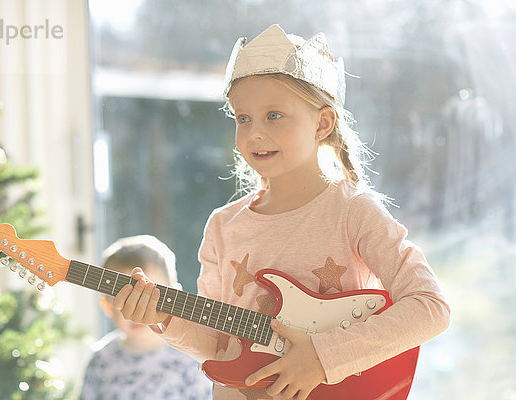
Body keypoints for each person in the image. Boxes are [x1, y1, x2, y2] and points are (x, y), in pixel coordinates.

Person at [112, 24, 451, 400]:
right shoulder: (223, 227)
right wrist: (164, 316)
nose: (255, 132)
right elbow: (218, 344)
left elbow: (430, 307)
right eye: (243, 118)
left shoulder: (353, 211)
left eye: (274, 115)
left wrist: (323, 358)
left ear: (322, 123)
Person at [80, 235, 212, 400]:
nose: (139, 311)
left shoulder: (192, 359)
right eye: (124, 300)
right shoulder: (101, 359)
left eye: (150, 298)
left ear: (176, 299)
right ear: (107, 306)